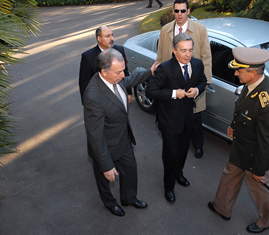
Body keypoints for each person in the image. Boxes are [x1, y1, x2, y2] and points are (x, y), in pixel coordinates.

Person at [207, 47, 269, 233]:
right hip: (241, 145)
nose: (235, 73)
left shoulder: (267, 101)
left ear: (253, 73)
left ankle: (267, 220)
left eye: (239, 70)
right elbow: (242, 109)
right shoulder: (252, 84)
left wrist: (259, 168)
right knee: (229, 175)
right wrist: (233, 125)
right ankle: (222, 207)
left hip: (254, 154)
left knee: (259, 188)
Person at [83, 48, 157, 216]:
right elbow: (95, 135)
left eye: (123, 70)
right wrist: (107, 165)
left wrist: (150, 72)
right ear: (104, 72)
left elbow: (130, 80)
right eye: (119, 72)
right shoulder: (93, 96)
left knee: (130, 170)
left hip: (124, 139)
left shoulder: (117, 78)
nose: (123, 75)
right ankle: (110, 203)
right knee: (104, 179)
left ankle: (129, 198)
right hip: (105, 147)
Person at [146, 33, 207, 202]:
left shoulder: (197, 63)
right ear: (174, 50)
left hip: (188, 118)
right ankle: (169, 186)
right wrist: (174, 93)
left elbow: (203, 81)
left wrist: (197, 90)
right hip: (170, 121)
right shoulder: (164, 68)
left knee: (182, 152)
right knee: (170, 154)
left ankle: (179, 174)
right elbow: (150, 91)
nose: (188, 54)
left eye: (190, 50)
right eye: (183, 50)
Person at [156, 0, 212, 159]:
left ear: (188, 11)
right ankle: (178, 145)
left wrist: (206, 81)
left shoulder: (200, 29)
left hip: (192, 83)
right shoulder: (165, 30)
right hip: (172, 83)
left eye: (182, 10)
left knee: (194, 118)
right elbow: (160, 56)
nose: (179, 14)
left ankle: (198, 145)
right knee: (175, 116)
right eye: (176, 11)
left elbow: (206, 56)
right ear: (173, 11)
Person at [79, 25, 132, 105]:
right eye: (107, 36)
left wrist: (128, 92)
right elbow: (84, 82)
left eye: (112, 35)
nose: (111, 39)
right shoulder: (88, 57)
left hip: (119, 96)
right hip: (101, 100)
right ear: (99, 38)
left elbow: (126, 73)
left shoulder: (120, 50)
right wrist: (87, 102)